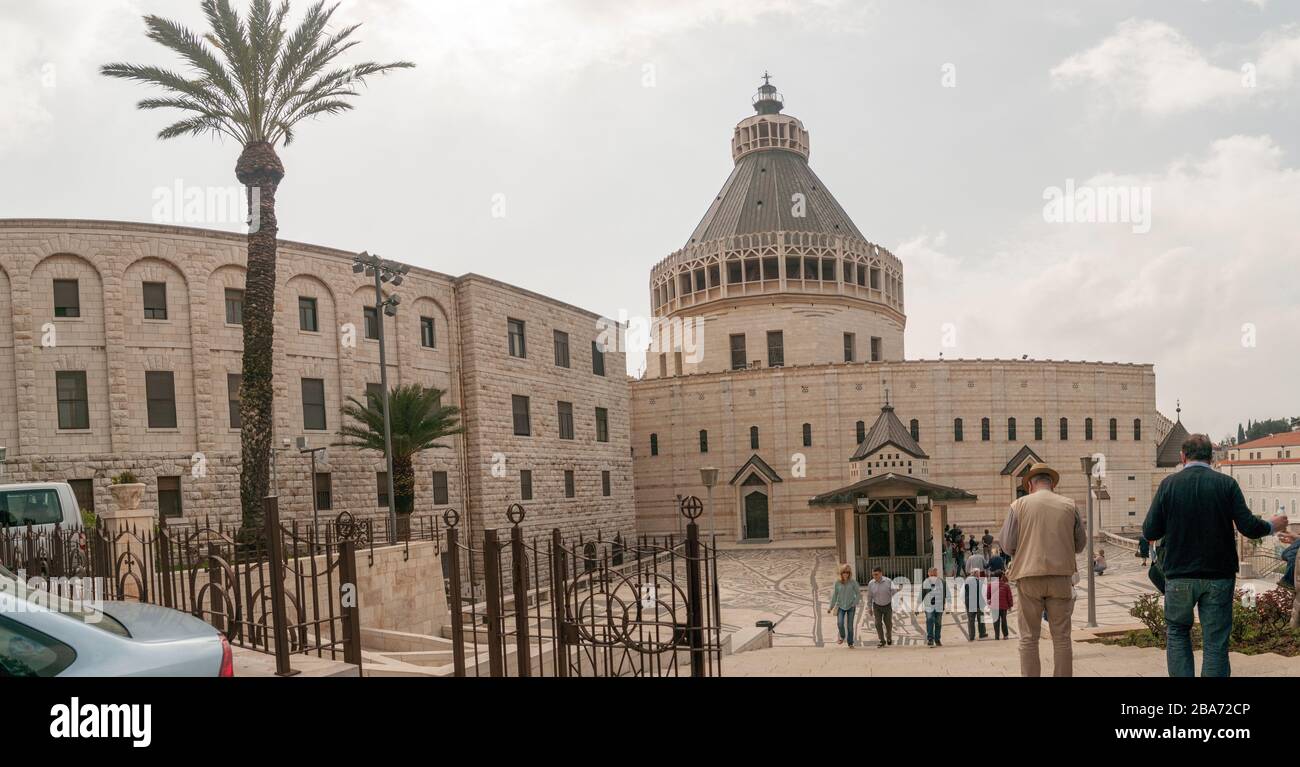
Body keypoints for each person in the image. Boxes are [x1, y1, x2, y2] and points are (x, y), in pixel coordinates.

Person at [1142, 433, 1288, 678]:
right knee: (1215, 641)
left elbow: (1150, 531)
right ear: (1211, 457)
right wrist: (1273, 525)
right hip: (1218, 576)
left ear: (1182, 456)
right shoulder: (1226, 484)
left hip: (1179, 575)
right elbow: (1249, 527)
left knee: (1177, 634)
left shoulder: (1169, 484)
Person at [998, 461, 1086, 677]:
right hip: (1061, 578)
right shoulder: (1069, 505)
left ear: (1030, 485)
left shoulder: (1018, 505)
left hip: (1029, 578)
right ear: (1052, 485)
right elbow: (1080, 544)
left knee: (1028, 638)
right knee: (1062, 638)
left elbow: (1007, 544)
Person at [826, 564, 861, 647]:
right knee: (840, 623)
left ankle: (850, 643)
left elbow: (858, 594)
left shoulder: (853, 582)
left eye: (847, 572)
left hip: (851, 606)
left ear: (849, 573)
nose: (846, 574)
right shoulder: (837, 583)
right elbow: (835, 595)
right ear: (841, 573)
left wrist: (854, 603)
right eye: (844, 572)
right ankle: (842, 636)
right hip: (840, 606)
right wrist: (830, 607)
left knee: (850, 626)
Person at [866, 567, 898, 647]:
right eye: (873, 575)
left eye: (876, 574)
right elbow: (869, 596)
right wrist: (869, 607)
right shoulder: (871, 583)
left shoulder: (889, 581)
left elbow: (894, 593)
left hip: (887, 605)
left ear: (881, 573)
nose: (874, 576)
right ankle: (882, 640)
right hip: (876, 606)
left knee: (888, 623)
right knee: (877, 623)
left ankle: (889, 637)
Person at [921, 566, 947, 647]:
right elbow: (922, 594)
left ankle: (937, 639)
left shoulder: (942, 582)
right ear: (928, 574)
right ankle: (930, 639)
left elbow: (945, 594)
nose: (933, 576)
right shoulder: (925, 582)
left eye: (935, 574)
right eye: (932, 574)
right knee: (929, 620)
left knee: (938, 623)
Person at [987, 571, 1013, 640]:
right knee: (1004, 621)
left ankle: (997, 636)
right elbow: (1009, 597)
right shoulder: (1006, 585)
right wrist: (1010, 606)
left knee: (996, 621)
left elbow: (988, 596)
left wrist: (989, 602)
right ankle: (1005, 635)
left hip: (994, 606)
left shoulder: (990, 585)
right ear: (1001, 576)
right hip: (1004, 606)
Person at [962, 568, 987, 640]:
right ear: (975, 573)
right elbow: (983, 593)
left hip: (970, 603)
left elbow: (963, 593)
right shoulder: (979, 582)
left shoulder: (966, 581)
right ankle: (982, 633)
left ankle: (971, 636)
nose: (979, 574)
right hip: (979, 604)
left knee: (971, 620)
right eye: (978, 573)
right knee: (981, 619)